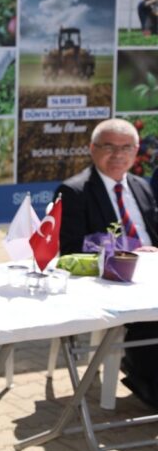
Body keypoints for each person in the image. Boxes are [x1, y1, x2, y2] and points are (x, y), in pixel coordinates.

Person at [55, 118, 158, 410]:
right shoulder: (74, 191)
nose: (118, 155)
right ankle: (146, 380)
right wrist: (130, 251)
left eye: (126, 148)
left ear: (136, 151)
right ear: (92, 149)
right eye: (109, 147)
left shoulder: (141, 186)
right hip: (112, 281)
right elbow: (71, 250)